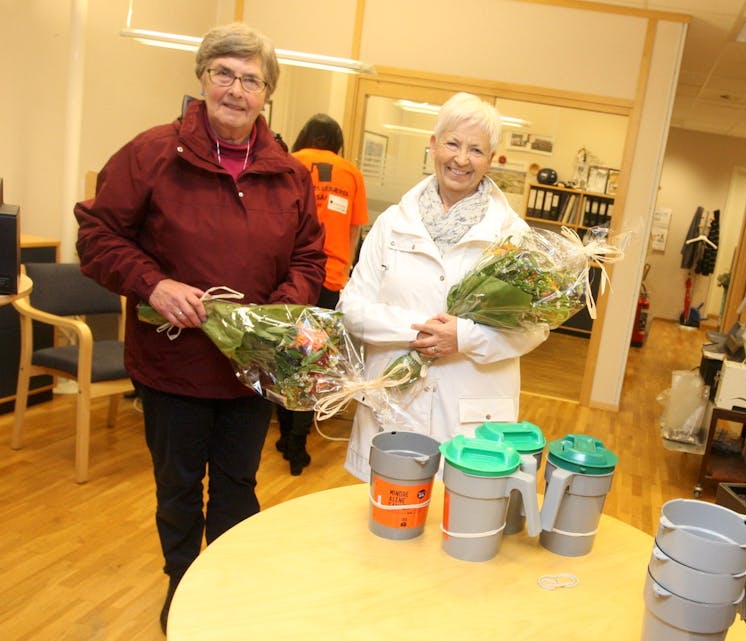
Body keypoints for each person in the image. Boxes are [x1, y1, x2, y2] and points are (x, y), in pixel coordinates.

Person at [74, 23, 325, 634]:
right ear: (203, 78)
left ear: (267, 94)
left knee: (238, 485)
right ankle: (183, 583)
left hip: (251, 370)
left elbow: (309, 258)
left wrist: (276, 314)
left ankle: (228, 588)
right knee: (180, 486)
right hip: (173, 366)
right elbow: (97, 234)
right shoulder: (151, 153)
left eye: (251, 80)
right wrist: (153, 283)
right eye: (224, 74)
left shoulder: (289, 175)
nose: (236, 90)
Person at [337, 92, 549, 482]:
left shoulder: (512, 236)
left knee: (459, 516)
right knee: (386, 519)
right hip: (393, 401)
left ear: (491, 158)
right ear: (433, 145)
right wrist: (426, 332)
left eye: (476, 150)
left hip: (471, 411)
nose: (461, 159)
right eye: (452, 143)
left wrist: (464, 338)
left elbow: (534, 328)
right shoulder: (391, 223)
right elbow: (352, 308)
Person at [274, 113, 368, 475]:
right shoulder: (351, 172)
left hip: (290, 279)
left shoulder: (289, 163)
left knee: (285, 359)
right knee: (314, 363)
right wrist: (343, 273)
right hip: (329, 280)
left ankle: (284, 435)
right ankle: (298, 444)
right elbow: (355, 232)